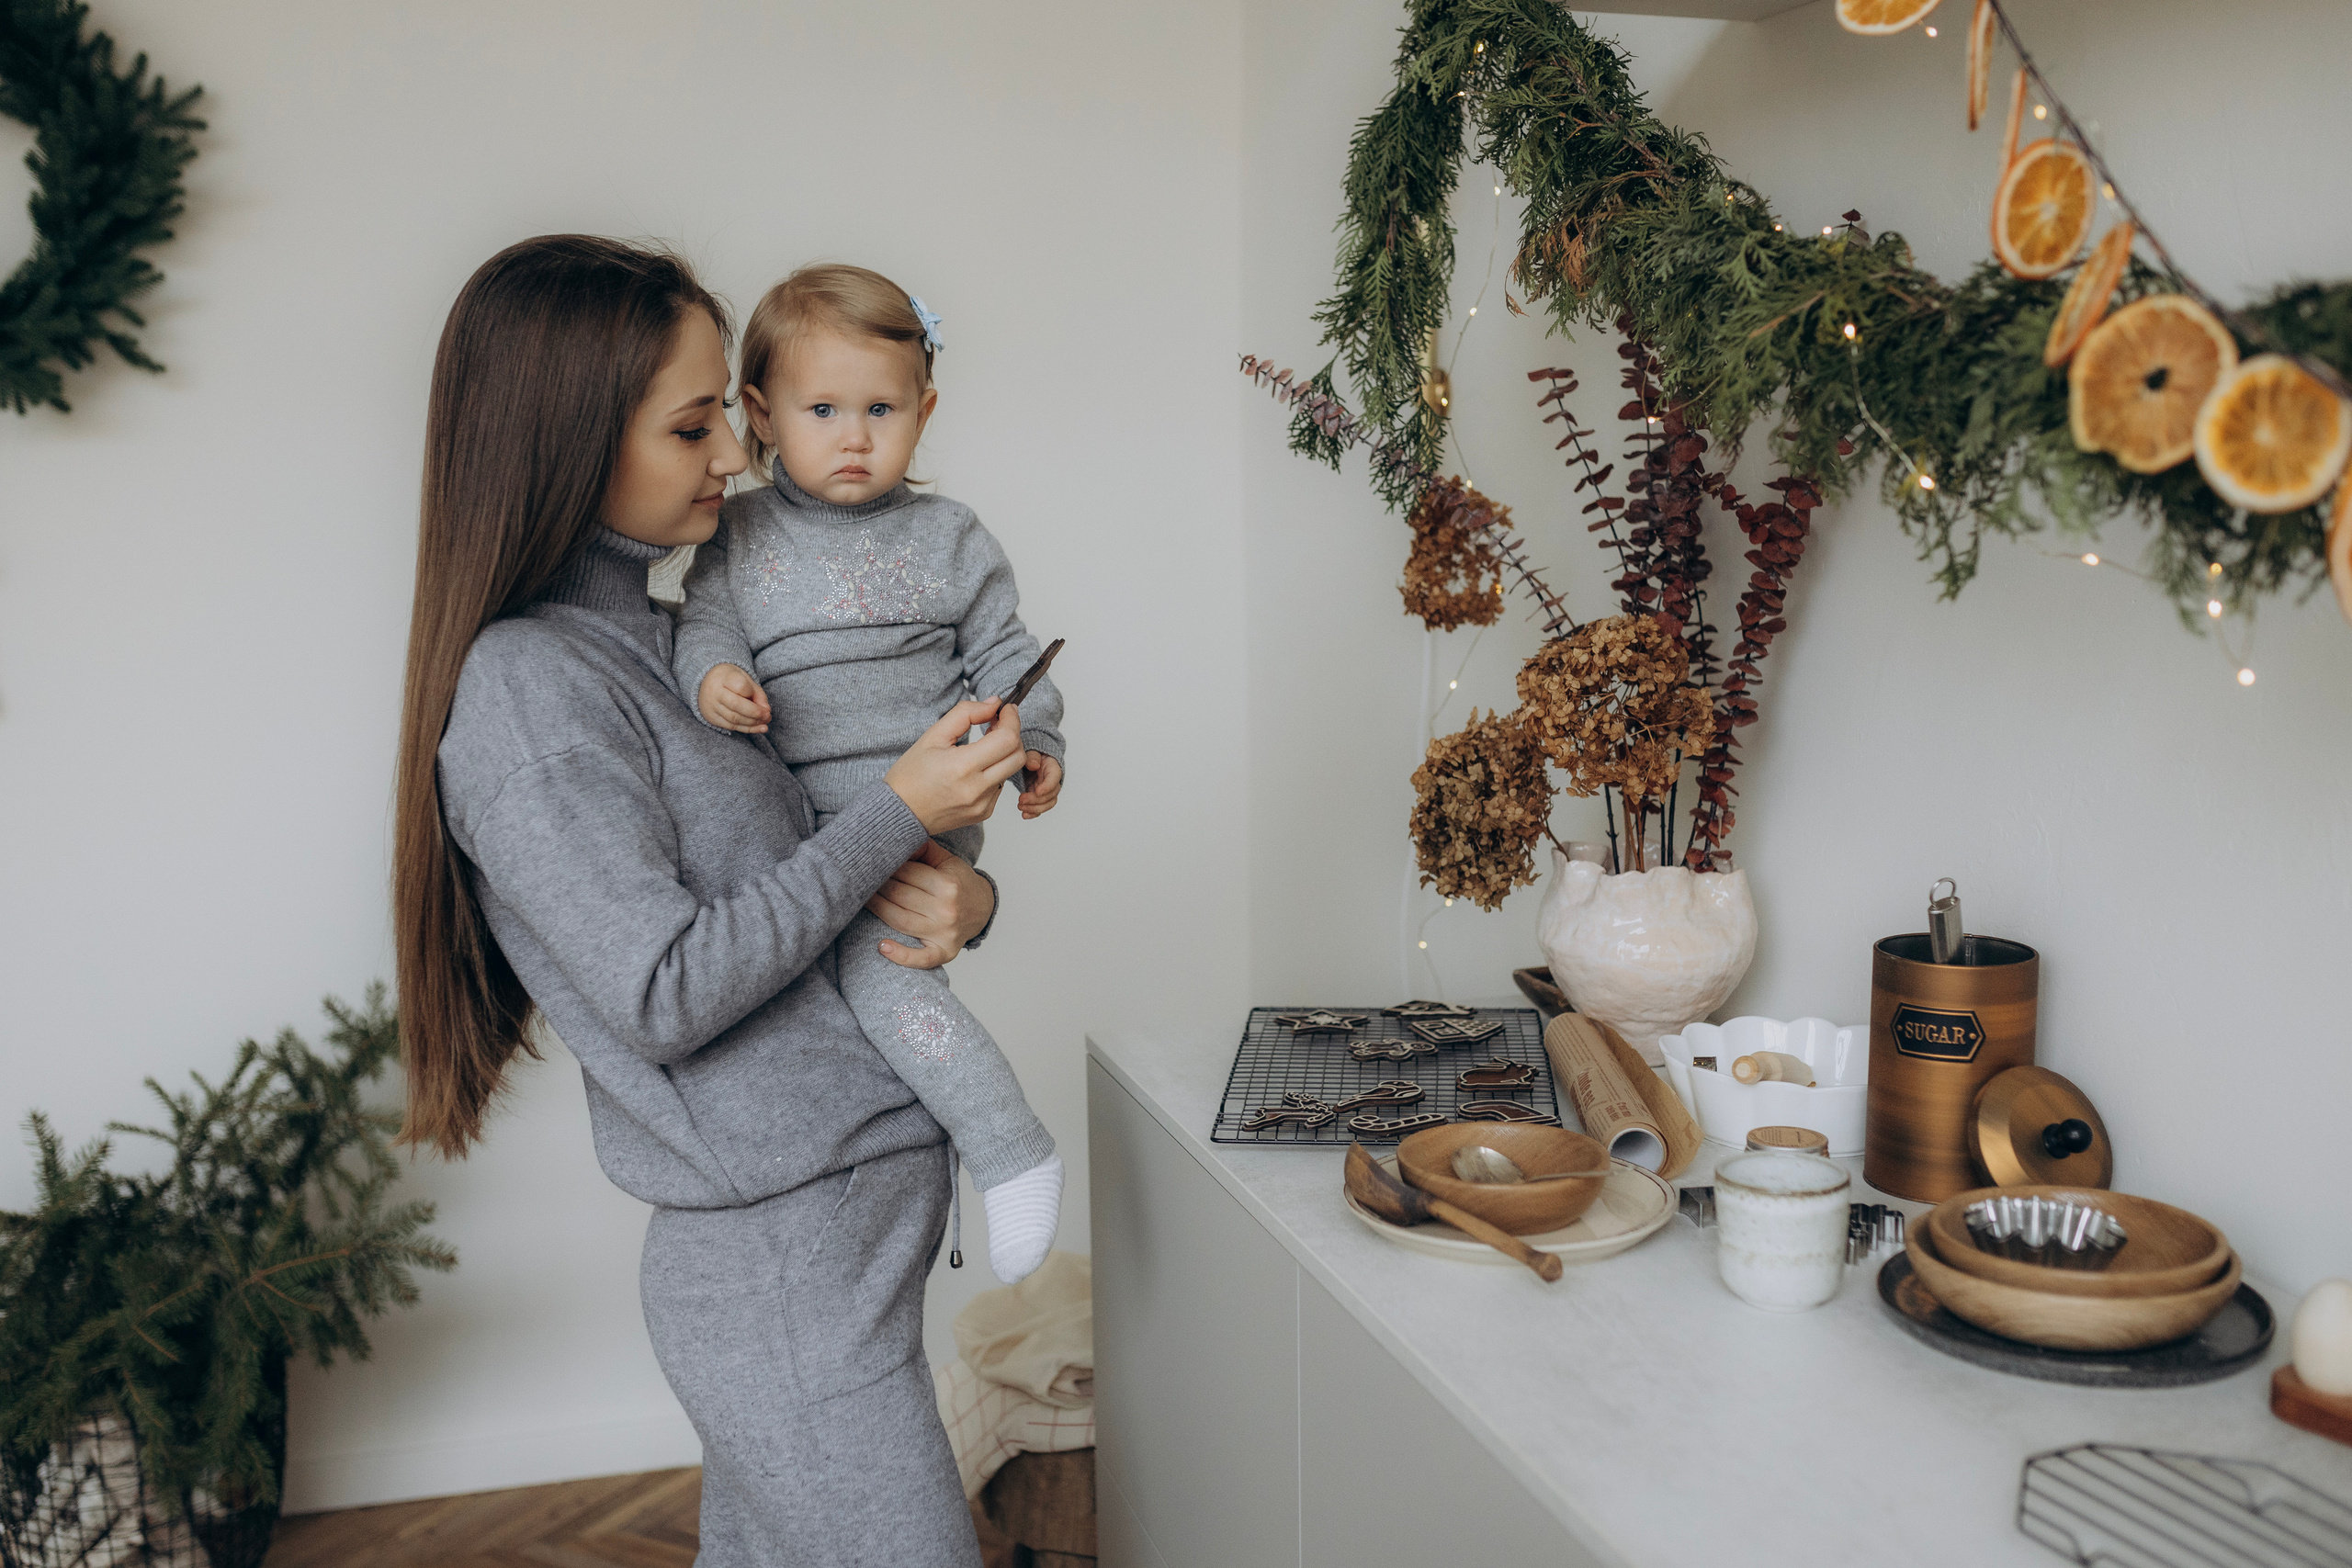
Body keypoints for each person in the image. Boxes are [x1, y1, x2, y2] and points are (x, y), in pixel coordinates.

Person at [391, 234, 1014, 1566]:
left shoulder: (676, 640)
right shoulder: (528, 691)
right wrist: (898, 808)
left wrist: (967, 897)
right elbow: (665, 987)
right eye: (693, 427)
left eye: (727, 416)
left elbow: (808, 888)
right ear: (567, 439)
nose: (738, 457)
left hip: (840, 1238)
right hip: (782, 1263)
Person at [673, 263, 1064, 1283]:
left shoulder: (949, 538)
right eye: (823, 409)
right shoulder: (739, 533)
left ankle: (1012, 1150)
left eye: (882, 408)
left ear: (925, 411)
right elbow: (705, 626)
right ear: (759, 413)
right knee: (820, 998)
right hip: (800, 829)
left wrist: (1038, 746)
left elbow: (1010, 662)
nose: (855, 436)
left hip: (922, 811)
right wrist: (713, 675)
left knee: (881, 983)